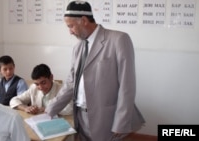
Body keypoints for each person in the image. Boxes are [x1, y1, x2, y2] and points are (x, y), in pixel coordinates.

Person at [45, 1, 145, 141]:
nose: (70, 31)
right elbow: (70, 83)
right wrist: (51, 108)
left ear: (84, 20)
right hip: (80, 116)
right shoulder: (78, 48)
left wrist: (121, 122)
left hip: (106, 119)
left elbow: (127, 86)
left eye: (71, 26)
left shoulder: (118, 40)